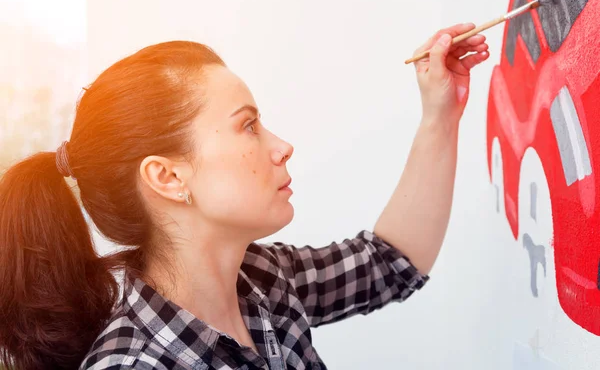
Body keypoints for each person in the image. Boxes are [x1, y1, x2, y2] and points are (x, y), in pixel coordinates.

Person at [0, 22, 489, 370]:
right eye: (248, 126)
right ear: (167, 178)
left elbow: (389, 264)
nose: (282, 147)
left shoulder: (266, 281)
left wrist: (439, 114)